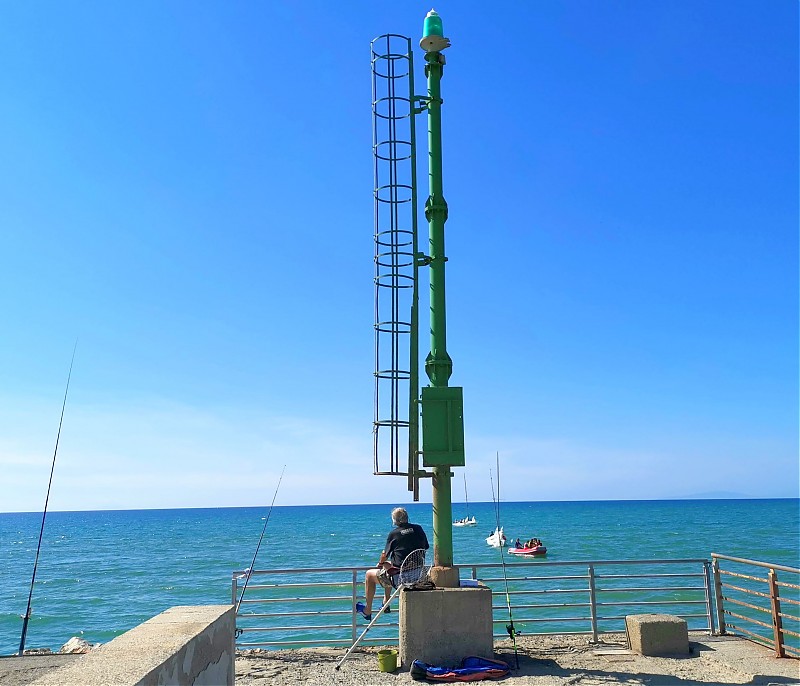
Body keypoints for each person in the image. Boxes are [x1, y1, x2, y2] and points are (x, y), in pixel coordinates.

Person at [356, 507, 429, 621]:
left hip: (401, 579)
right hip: (419, 574)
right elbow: (426, 547)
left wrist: (380, 563)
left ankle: (367, 610)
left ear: (394, 520)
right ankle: (385, 601)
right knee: (388, 565)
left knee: (369, 575)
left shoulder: (394, 534)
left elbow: (384, 554)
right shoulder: (418, 529)